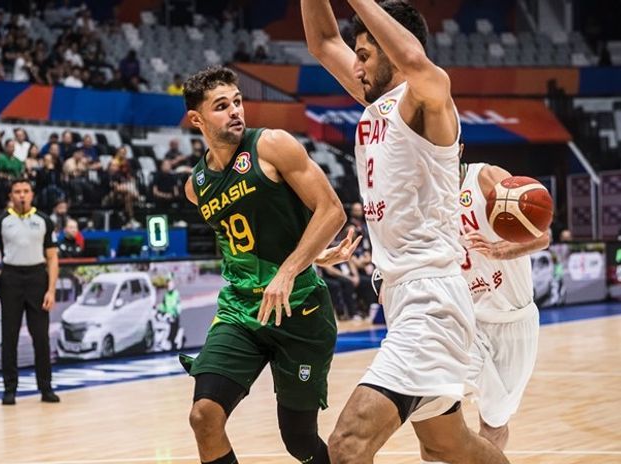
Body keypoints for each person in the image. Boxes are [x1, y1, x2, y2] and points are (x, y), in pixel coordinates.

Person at [302, 0, 509, 462]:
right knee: (450, 443)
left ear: (393, 50)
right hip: (402, 298)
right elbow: (321, 42)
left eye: (364, 54)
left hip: (431, 301)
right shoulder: (374, 102)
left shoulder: (427, 97)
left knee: (347, 445)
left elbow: (415, 60)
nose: (353, 64)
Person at [180, 66, 348, 464]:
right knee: (204, 416)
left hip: (300, 311)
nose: (235, 111)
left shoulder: (272, 145)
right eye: (222, 106)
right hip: (241, 310)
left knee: (299, 440)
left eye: (237, 102)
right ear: (197, 119)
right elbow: (249, 241)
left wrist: (291, 268)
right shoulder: (195, 187)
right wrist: (302, 254)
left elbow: (331, 211)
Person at [449, 161, 549, 453]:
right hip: (466, 317)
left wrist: (501, 251)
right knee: (437, 394)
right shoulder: (425, 195)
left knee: (494, 423)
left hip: (514, 320)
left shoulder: (487, 178)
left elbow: (543, 237)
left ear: (458, 149)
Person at [0, 178, 60, 406]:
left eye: (26, 191)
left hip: (37, 277)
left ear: (32, 194)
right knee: (10, 337)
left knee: (41, 337)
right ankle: (10, 389)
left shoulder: (44, 220)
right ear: (11, 195)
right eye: (17, 191)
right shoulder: (0, 222)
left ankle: (45, 388)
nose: (22, 195)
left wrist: (51, 290)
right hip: (11, 278)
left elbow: (53, 257)